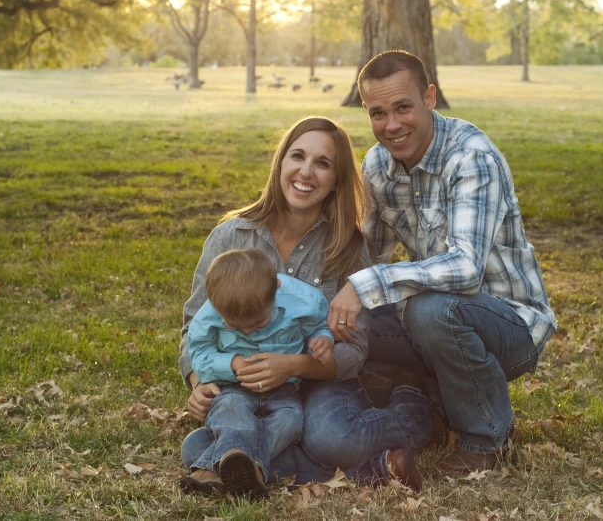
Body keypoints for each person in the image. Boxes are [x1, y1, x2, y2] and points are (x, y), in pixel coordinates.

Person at [328, 50, 557, 473]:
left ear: (429, 97)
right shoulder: (378, 165)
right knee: (347, 316)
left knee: (430, 308)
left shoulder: (470, 157)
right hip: (434, 319)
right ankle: (424, 401)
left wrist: (368, 282)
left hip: (511, 326)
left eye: (403, 107)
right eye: (378, 113)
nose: (392, 125)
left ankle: (486, 438)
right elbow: (369, 252)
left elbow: (466, 268)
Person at [178, 116, 434, 494]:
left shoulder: (349, 248)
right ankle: (377, 466)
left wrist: (295, 365)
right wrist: (200, 383)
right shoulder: (231, 236)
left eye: (323, 163)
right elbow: (193, 329)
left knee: (331, 439)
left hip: (316, 382)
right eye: (297, 156)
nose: (306, 172)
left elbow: (354, 351)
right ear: (280, 162)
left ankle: (416, 414)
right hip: (242, 386)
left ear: (336, 180)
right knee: (198, 446)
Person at [181, 248, 335, 497]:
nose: (250, 331)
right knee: (230, 406)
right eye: (235, 327)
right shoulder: (207, 316)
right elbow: (198, 353)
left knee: (292, 419)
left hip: (283, 388)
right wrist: (232, 363)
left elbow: (319, 326)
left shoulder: (304, 301)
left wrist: (323, 340)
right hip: (233, 387)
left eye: (259, 323)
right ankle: (252, 470)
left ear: (276, 287)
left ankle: (212, 467)